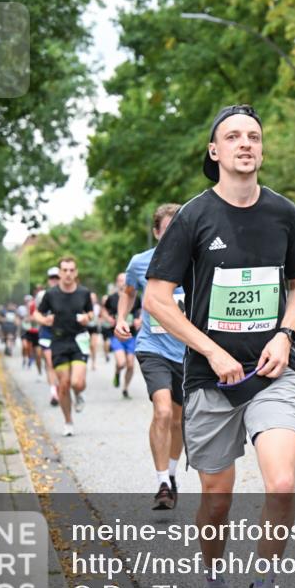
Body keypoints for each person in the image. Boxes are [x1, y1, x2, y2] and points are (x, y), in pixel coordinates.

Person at [144, 104, 295, 588]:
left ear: (262, 150)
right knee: (217, 501)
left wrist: (285, 335)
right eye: (233, 137)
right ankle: (214, 586)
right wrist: (213, 351)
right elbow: (156, 300)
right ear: (214, 152)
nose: (246, 144)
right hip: (210, 378)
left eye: (254, 136)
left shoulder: (285, 214)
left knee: (282, 483)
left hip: (274, 371)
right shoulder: (194, 217)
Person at [115, 203, 186, 510]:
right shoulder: (140, 263)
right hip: (152, 347)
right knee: (163, 412)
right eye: (167, 231)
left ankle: (171, 476)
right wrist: (121, 317)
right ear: (157, 232)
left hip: (188, 351)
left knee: (179, 420)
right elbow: (129, 291)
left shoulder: (198, 262)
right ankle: (162, 484)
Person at [33, 257, 93, 437]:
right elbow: (37, 313)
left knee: (77, 382)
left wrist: (87, 318)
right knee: (64, 385)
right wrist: (44, 320)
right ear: (59, 273)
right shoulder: (50, 294)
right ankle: (68, 421)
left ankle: (79, 394)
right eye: (65, 270)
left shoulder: (84, 293)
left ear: (76, 273)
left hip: (79, 341)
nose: (68, 274)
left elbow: (91, 311)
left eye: (71, 270)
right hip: (58, 342)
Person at [103, 273, 141, 397]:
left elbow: (141, 311)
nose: (123, 283)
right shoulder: (112, 298)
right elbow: (103, 310)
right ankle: (117, 373)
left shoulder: (135, 297)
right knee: (121, 363)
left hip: (131, 335)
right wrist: (108, 318)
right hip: (116, 335)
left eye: (125, 280)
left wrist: (138, 320)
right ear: (116, 283)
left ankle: (125, 388)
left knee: (130, 365)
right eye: (120, 280)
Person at [38, 268, 61, 405]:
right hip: (47, 333)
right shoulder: (42, 295)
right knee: (50, 362)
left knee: (60, 365)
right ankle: (54, 393)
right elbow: (35, 314)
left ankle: (59, 387)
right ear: (48, 280)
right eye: (52, 278)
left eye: (56, 278)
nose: (54, 280)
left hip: (63, 334)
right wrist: (44, 320)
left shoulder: (67, 293)